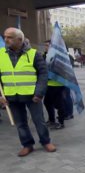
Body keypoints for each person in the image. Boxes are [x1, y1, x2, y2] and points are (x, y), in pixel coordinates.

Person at [0, 27, 56, 156]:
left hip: (32, 95)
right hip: (11, 95)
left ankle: (46, 141)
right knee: (20, 123)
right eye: (5, 36)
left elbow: (43, 74)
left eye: (9, 37)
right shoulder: (0, 54)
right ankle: (27, 144)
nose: (6, 39)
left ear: (19, 39)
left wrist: (39, 93)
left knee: (39, 120)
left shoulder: (34, 54)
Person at [43, 40, 66, 129]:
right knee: (47, 102)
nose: (46, 47)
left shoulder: (58, 57)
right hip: (49, 84)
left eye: (47, 45)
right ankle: (51, 120)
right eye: (45, 45)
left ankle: (61, 122)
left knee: (59, 104)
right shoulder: (46, 56)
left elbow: (60, 70)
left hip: (58, 84)